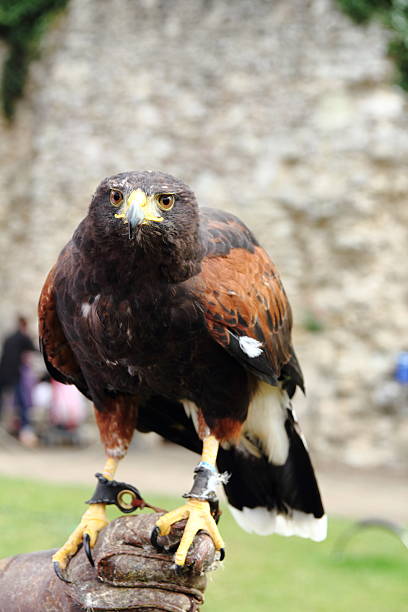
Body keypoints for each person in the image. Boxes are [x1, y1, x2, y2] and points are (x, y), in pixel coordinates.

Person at [0, 315, 38, 446]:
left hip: (3, 373)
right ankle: (25, 429)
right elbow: (36, 349)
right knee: (22, 403)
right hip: (15, 374)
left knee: (3, 402)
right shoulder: (23, 337)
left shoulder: (9, 337)